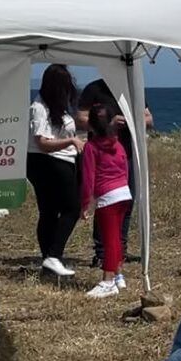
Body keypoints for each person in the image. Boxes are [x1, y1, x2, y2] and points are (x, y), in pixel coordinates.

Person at [77, 79, 153, 268]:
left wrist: (130, 121)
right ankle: (102, 252)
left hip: (126, 150)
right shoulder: (94, 89)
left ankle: (120, 249)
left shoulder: (132, 85)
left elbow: (148, 119)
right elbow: (80, 118)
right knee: (105, 203)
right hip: (101, 150)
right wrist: (107, 123)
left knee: (126, 202)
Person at [27, 65, 83, 278]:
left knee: (49, 211)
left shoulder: (56, 107)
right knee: (71, 208)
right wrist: (70, 141)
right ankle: (53, 254)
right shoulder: (39, 108)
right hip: (48, 162)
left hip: (56, 161)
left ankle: (48, 262)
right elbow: (42, 143)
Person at [79, 103, 133, 298]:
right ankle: (118, 274)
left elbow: (88, 178)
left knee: (109, 240)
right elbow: (125, 169)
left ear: (90, 126)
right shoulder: (118, 144)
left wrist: (85, 203)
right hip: (124, 193)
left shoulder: (91, 147)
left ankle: (108, 280)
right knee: (117, 238)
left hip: (108, 197)